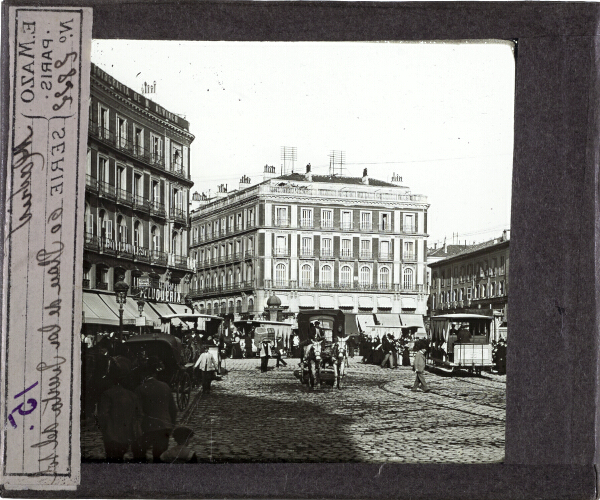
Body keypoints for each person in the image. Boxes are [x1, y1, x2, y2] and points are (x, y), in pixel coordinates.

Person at [132, 356, 178, 463]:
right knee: (160, 457)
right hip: (164, 427)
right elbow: (173, 409)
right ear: (155, 375)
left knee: (139, 453)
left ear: (144, 376)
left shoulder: (140, 389)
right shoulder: (166, 386)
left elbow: (137, 411)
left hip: (147, 428)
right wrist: (171, 425)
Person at [97, 358, 143, 463]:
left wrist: (105, 430)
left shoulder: (107, 394)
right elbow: (139, 415)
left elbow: (103, 415)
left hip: (111, 436)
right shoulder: (132, 395)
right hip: (126, 437)